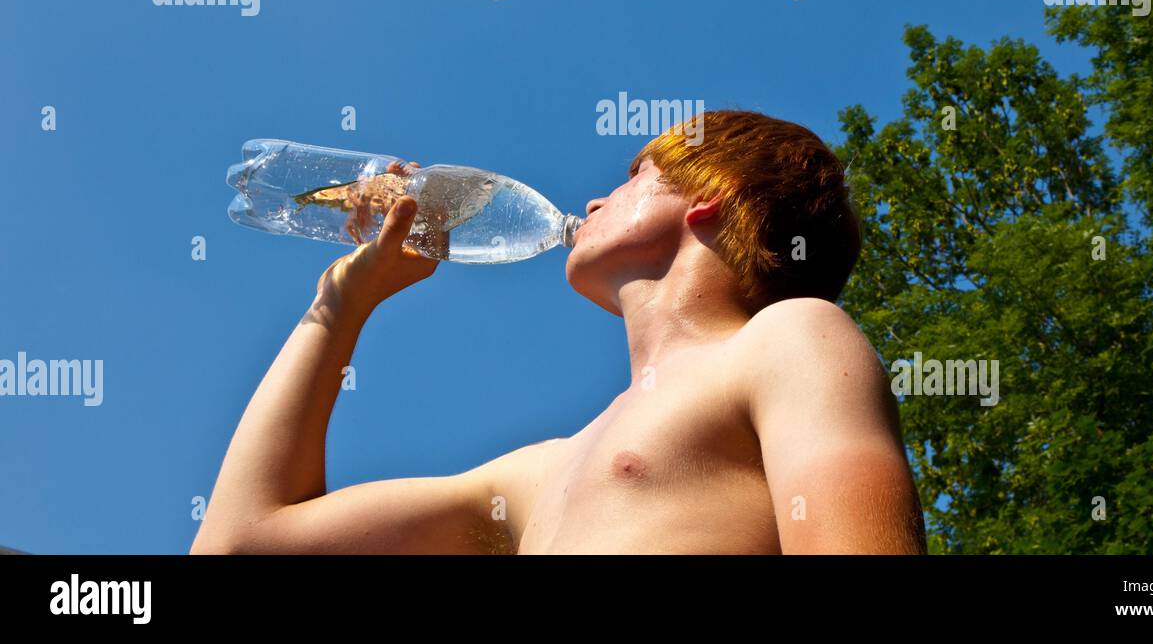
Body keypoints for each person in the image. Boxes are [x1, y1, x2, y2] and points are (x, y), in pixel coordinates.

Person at [191, 109, 926, 554]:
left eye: (637, 176)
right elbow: (242, 541)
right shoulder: (541, 473)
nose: (598, 197)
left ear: (711, 201)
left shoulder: (792, 339)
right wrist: (342, 302)